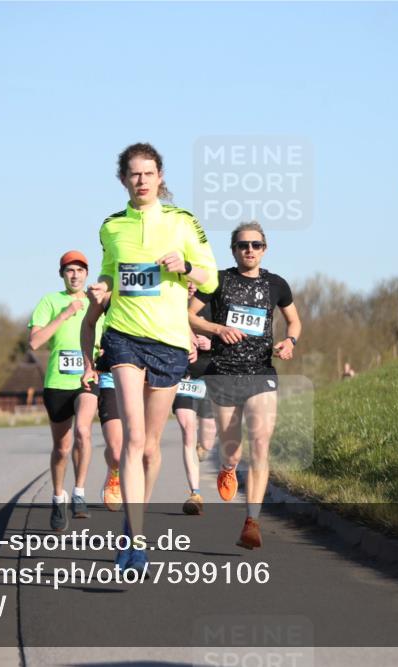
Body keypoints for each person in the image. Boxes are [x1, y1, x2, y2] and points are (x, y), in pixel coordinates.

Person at [81, 142, 218, 570]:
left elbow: (210, 279)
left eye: (148, 173)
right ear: (123, 179)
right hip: (123, 335)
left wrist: (183, 267)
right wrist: (102, 287)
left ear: (160, 177)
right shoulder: (111, 226)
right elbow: (109, 270)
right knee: (132, 438)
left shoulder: (183, 222)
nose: (141, 180)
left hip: (170, 340)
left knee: (151, 447)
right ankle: (136, 540)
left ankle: (132, 525)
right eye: (133, 174)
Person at [189, 221, 301, 549]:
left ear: (265, 249)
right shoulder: (219, 281)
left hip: (261, 373)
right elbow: (190, 316)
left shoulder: (276, 284)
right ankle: (228, 466)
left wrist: (290, 341)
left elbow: (294, 320)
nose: (249, 250)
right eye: (242, 245)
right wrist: (217, 329)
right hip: (223, 373)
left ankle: (252, 521)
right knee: (232, 446)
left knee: (261, 443)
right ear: (234, 250)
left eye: (255, 244)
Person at [29, 251, 104, 532]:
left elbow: (106, 339)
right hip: (57, 383)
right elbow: (35, 342)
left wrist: (100, 354)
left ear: (87, 274)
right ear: (62, 274)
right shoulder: (50, 301)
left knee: (84, 432)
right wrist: (64, 314)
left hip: (86, 379)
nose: (75, 275)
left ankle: (80, 493)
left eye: (80, 270)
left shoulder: (97, 302)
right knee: (61, 447)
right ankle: (58, 497)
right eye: (69, 270)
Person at [173, 283, 217, 515]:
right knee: (188, 429)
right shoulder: (170, 304)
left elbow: (232, 338)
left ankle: (202, 449)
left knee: (207, 439)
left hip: (209, 375)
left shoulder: (214, 306)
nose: (190, 287)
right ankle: (195, 493)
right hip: (183, 377)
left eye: (194, 282)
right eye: (185, 281)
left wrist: (213, 344)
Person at [81, 296, 123, 512]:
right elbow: (88, 324)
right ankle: (114, 473)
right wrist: (90, 363)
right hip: (111, 376)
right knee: (116, 451)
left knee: (144, 448)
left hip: (147, 377)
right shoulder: (109, 294)